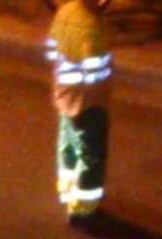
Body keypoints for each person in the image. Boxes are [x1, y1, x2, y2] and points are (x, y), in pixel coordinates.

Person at [45, 0, 115, 216]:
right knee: (91, 155)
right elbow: (94, 72)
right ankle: (83, 208)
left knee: (68, 148)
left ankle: (66, 192)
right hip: (88, 102)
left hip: (64, 95)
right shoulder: (90, 27)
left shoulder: (65, 12)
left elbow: (50, 51)